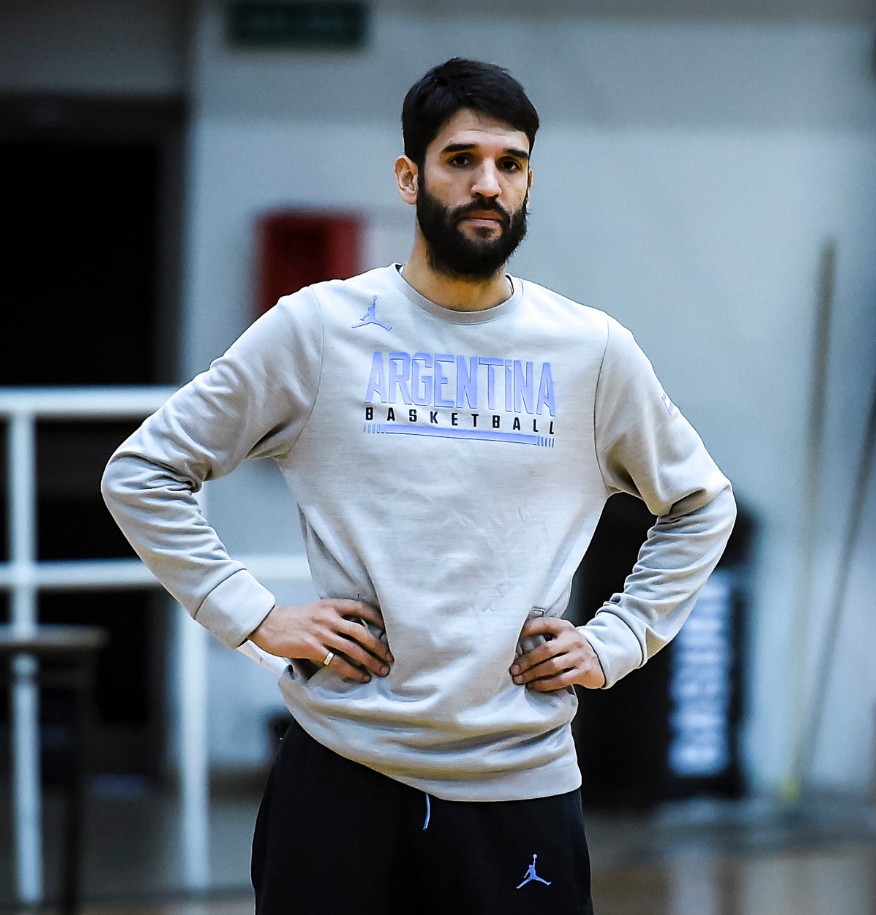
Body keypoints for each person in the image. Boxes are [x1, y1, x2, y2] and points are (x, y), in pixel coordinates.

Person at [101, 56, 735, 914]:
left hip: (518, 784)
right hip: (341, 774)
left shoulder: (590, 351)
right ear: (409, 177)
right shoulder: (318, 330)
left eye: (509, 165)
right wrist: (253, 614)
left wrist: (616, 639)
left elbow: (702, 503)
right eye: (461, 159)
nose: (487, 183)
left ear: (528, 184)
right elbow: (144, 471)